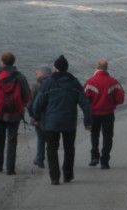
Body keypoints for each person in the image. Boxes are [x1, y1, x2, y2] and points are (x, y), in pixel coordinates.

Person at [33, 55, 92, 185]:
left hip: (51, 122)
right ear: (66, 68)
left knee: (51, 149)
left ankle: (54, 177)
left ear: (55, 68)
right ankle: (67, 175)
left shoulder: (48, 83)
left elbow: (38, 103)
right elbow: (85, 103)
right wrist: (87, 121)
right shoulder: (74, 82)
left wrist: (36, 118)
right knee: (69, 148)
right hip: (69, 122)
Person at [84, 58, 125, 170]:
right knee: (107, 136)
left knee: (94, 135)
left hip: (94, 113)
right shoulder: (114, 82)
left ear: (97, 68)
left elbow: (85, 99)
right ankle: (105, 161)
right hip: (108, 113)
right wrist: (113, 102)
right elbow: (121, 98)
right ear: (106, 68)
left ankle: (94, 156)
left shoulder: (90, 82)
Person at [27, 65, 52, 168]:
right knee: (51, 139)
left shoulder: (36, 85)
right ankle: (51, 159)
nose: (36, 72)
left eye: (38, 71)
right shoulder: (54, 84)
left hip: (39, 116)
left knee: (40, 138)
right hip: (51, 116)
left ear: (43, 73)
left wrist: (32, 115)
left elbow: (30, 103)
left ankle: (40, 159)